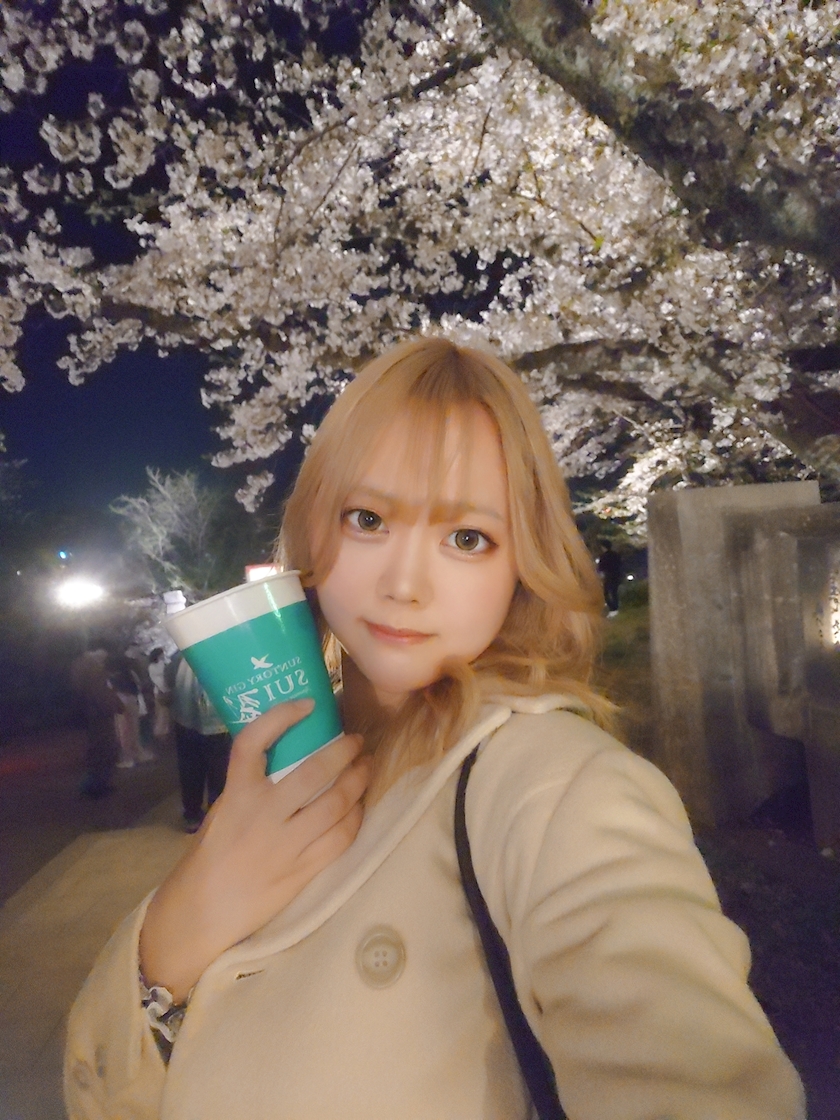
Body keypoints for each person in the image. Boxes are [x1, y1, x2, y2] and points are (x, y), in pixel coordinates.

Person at [64, 338, 805, 1119]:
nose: (404, 585)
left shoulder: (558, 788)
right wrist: (182, 922)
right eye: (368, 519)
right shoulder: (306, 758)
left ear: (523, 563)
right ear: (315, 527)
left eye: (467, 538)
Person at [166, 653, 233, 833]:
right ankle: (216, 816)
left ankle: (192, 815)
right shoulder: (221, 653)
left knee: (190, 769)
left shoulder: (179, 657)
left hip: (185, 719)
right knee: (219, 770)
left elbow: (168, 685)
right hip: (218, 722)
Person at [69, 645, 124, 799]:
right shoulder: (94, 670)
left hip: (91, 714)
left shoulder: (79, 666)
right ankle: (98, 785)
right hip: (101, 715)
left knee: (96, 749)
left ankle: (96, 784)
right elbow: (102, 693)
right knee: (105, 748)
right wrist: (117, 705)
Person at [596, 539, 622, 616]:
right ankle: (615, 607)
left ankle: (613, 608)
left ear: (603, 547)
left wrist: (600, 573)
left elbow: (600, 567)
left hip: (609, 576)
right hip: (617, 575)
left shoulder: (603, 556)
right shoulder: (616, 555)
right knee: (614, 592)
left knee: (606, 593)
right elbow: (620, 564)